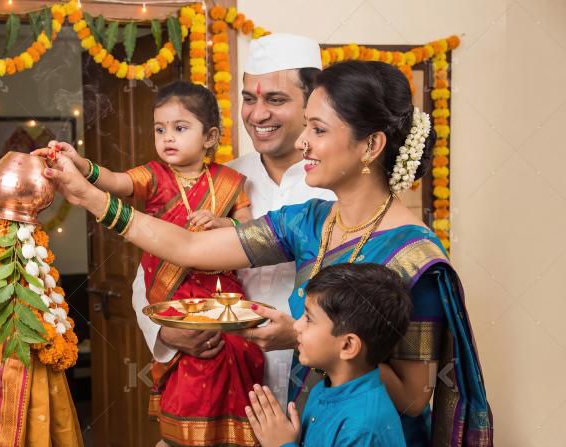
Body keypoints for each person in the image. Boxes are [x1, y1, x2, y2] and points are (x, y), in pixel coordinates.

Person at [40, 60, 493, 445]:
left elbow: (415, 398)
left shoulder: (413, 257)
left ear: (370, 145)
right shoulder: (312, 221)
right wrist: (91, 196)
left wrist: (302, 336)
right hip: (303, 429)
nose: (302, 142)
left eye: (317, 129)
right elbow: (191, 246)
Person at [37, 81, 263, 446]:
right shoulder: (154, 176)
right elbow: (113, 181)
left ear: (210, 137)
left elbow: (252, 232)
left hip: (223, 297)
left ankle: (231, 434)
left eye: (180, 128)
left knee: (235, 353)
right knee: (193, 366)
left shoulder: (230, 182)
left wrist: (224, 224)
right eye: (160, 129)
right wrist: (79, 164)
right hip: (173, 296)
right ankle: (185, 437)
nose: (167, 138)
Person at [132, 33, 335, 412]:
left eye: (275, 100)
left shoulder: (336, 189)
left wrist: (298, 335)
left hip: (315, 382)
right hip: (221, 383)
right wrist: (168, 331)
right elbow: (151, 268)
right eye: (249, 99)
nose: (258, 115)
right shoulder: (217, 179)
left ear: (312, 103)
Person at [244, 263, 411, 447]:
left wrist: (281, 445)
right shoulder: (322, 391)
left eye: (309, 319)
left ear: (347, 345)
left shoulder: (363, 428)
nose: (296, 326)